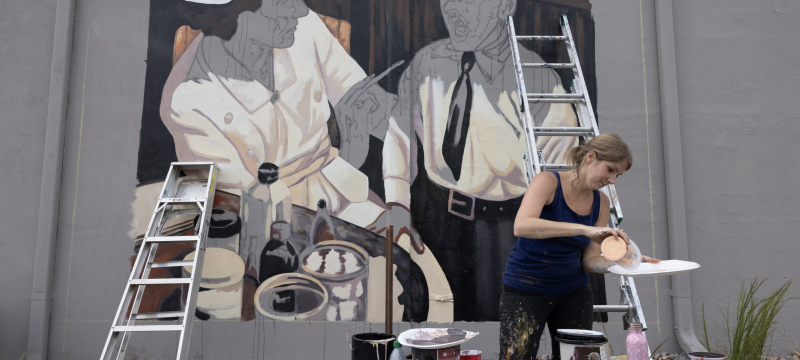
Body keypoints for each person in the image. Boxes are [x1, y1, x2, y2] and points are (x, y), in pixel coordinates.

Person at [370, 0, 579, 321]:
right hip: (437, 223)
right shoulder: (427, 63)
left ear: (503, 7)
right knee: (432, 323)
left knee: (511, 325)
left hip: (511, 232)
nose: (453, 9)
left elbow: (563, 171)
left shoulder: (538, 79)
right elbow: (400, 136)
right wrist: (397, 204)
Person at [161, 0, 393, 227]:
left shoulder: (303, 27)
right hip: (267, 226)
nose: (301, 10)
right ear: (233, 12)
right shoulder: (188, 100)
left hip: (339, 191)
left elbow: (372, 104)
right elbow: (238, 211)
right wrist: (352, 154)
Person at [499, 133, 653, 360]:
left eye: (617, 175)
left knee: (576, 358)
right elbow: (522, 226)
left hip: (574, 293)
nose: (612, 180)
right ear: (590, 157)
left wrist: (626, 262)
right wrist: (585, 229)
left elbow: (590, 261)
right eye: (610, 170)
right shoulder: (547, 181)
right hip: (526, 290)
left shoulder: (601, 202)